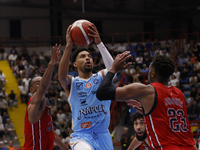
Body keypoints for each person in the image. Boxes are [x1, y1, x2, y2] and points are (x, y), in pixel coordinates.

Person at [96, 52, 196, 150]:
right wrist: (148, 112)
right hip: (190, 146)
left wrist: (113, 69)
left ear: (153, 73)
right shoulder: (179, 94)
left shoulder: (147, 90)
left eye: (149, 71)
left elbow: (102, 93)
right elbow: (171, 122)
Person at [58, 23, 114, 150]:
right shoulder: (72, 82)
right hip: (82, 135)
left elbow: (113, 69)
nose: (88, 58)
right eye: (83, 57)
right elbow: (61, 76)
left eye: (89, 57)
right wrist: (68, 47)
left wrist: (99, 43)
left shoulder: (101, 77)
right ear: (75, 64)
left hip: (103, 134)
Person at [23, 44, 69, 150]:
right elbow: (43, 87)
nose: (43, 83)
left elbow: (50, 131)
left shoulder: (44, 105)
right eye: (38, 83)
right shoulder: (34, 100)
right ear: (32, 90)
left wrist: (65, 148)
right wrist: (51, 64)